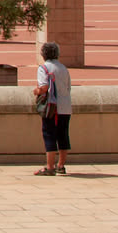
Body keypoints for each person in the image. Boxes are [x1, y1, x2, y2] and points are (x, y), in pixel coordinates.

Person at [35, 41, 74, 175]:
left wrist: (36, 91)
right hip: (66, 107)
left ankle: (50, 166)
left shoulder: (44, 68)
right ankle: (61, 165)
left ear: (43, 54)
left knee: (49, 134)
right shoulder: (63, 68)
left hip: (52, 108)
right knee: (63, 135)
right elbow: (68, 87)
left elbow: (44, 87)